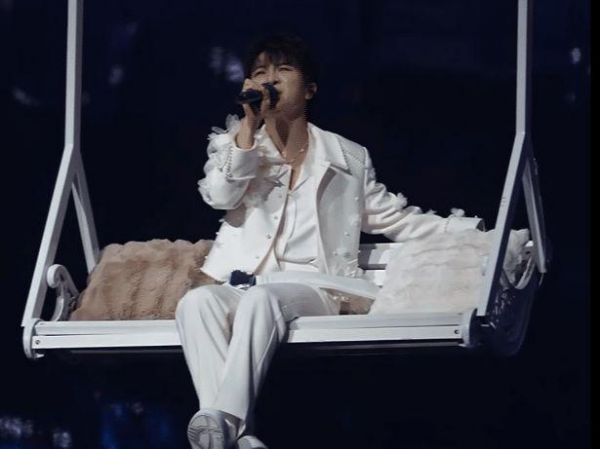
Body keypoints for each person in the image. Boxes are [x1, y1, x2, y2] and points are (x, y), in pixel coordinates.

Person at [175, 33, 483, 449]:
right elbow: (220, 196)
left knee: (262, 301)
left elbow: (398, 219)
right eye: (260, 72)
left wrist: (471, 232)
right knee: (197, 302)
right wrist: (248, 127)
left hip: (316, 287)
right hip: (245, 284)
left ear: (310, 89)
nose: (270, 80)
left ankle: (224, 422)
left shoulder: (347, 157)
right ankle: (238, 436)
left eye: (283, 70)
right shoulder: (239, 148)